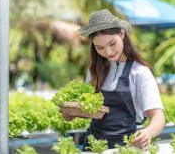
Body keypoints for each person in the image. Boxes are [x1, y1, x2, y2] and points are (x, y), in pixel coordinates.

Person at [63, 9, 165, 151]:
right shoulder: (94, 69)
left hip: (125, 147)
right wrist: (71, 114)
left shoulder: (140, 73)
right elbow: (92, 111)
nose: (108, 52)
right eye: (100, 48)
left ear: (122, 33)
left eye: (112, 43)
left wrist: (147, 133)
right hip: (93, 145)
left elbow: (158, 117)